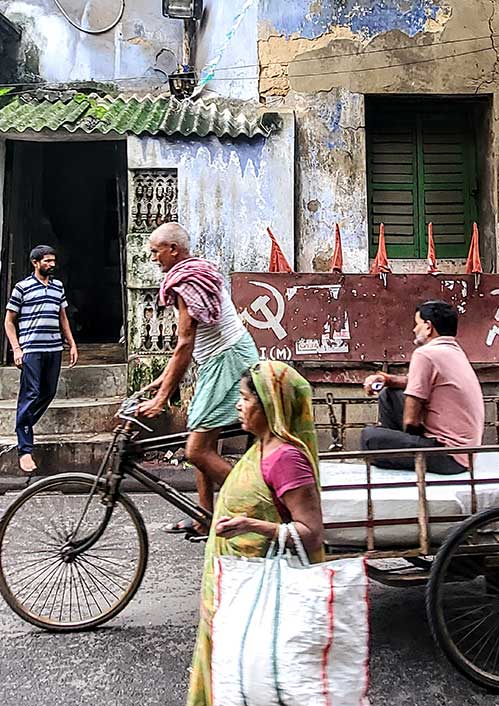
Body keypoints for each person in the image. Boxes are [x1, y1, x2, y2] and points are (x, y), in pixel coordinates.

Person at [187, 360, 324, 706]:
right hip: (233, 586)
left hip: (258, 592)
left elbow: (310, 533)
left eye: (246, 399)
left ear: (270, 405)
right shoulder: (260, 448)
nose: (238, 405)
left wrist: (251, 526)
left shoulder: (286, 460)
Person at [136, 223, 259, 535]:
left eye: (155, 251)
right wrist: (163, 380)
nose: (153, 258)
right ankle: (205, 517)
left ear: (173, 250)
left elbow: (184, 344)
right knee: (200, 435)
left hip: (227, 361)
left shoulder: (185, 281)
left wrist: (163, 397)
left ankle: (258, 504)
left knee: (196, 450)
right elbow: (188, 347)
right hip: (223, 359)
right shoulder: (194, 272)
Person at [361, 300, 484, 474]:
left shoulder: (425, 354)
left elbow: (411, 420)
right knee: (388, 395)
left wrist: (408, 439)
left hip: (448, 456)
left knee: (369, 438)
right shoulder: (452, 350)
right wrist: (385, 379)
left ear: (428, 327)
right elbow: (412, 381)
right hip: (465, 454)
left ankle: (402, 451)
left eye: (417, 324)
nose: (414, 329)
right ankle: (402, 447)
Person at [4, 245, 78, 473]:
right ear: (35, 263)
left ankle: (22, 426)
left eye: (53, 261)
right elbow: (9, 321)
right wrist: (17, 349)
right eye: (47, 261)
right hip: (31, 350)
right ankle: (25, 449)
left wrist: (72, 343)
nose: (52, 265)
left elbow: (62, 316)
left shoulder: (57, 287)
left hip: (53, 348)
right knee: (31, 393)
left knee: (48, 392)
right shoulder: (22, 288)